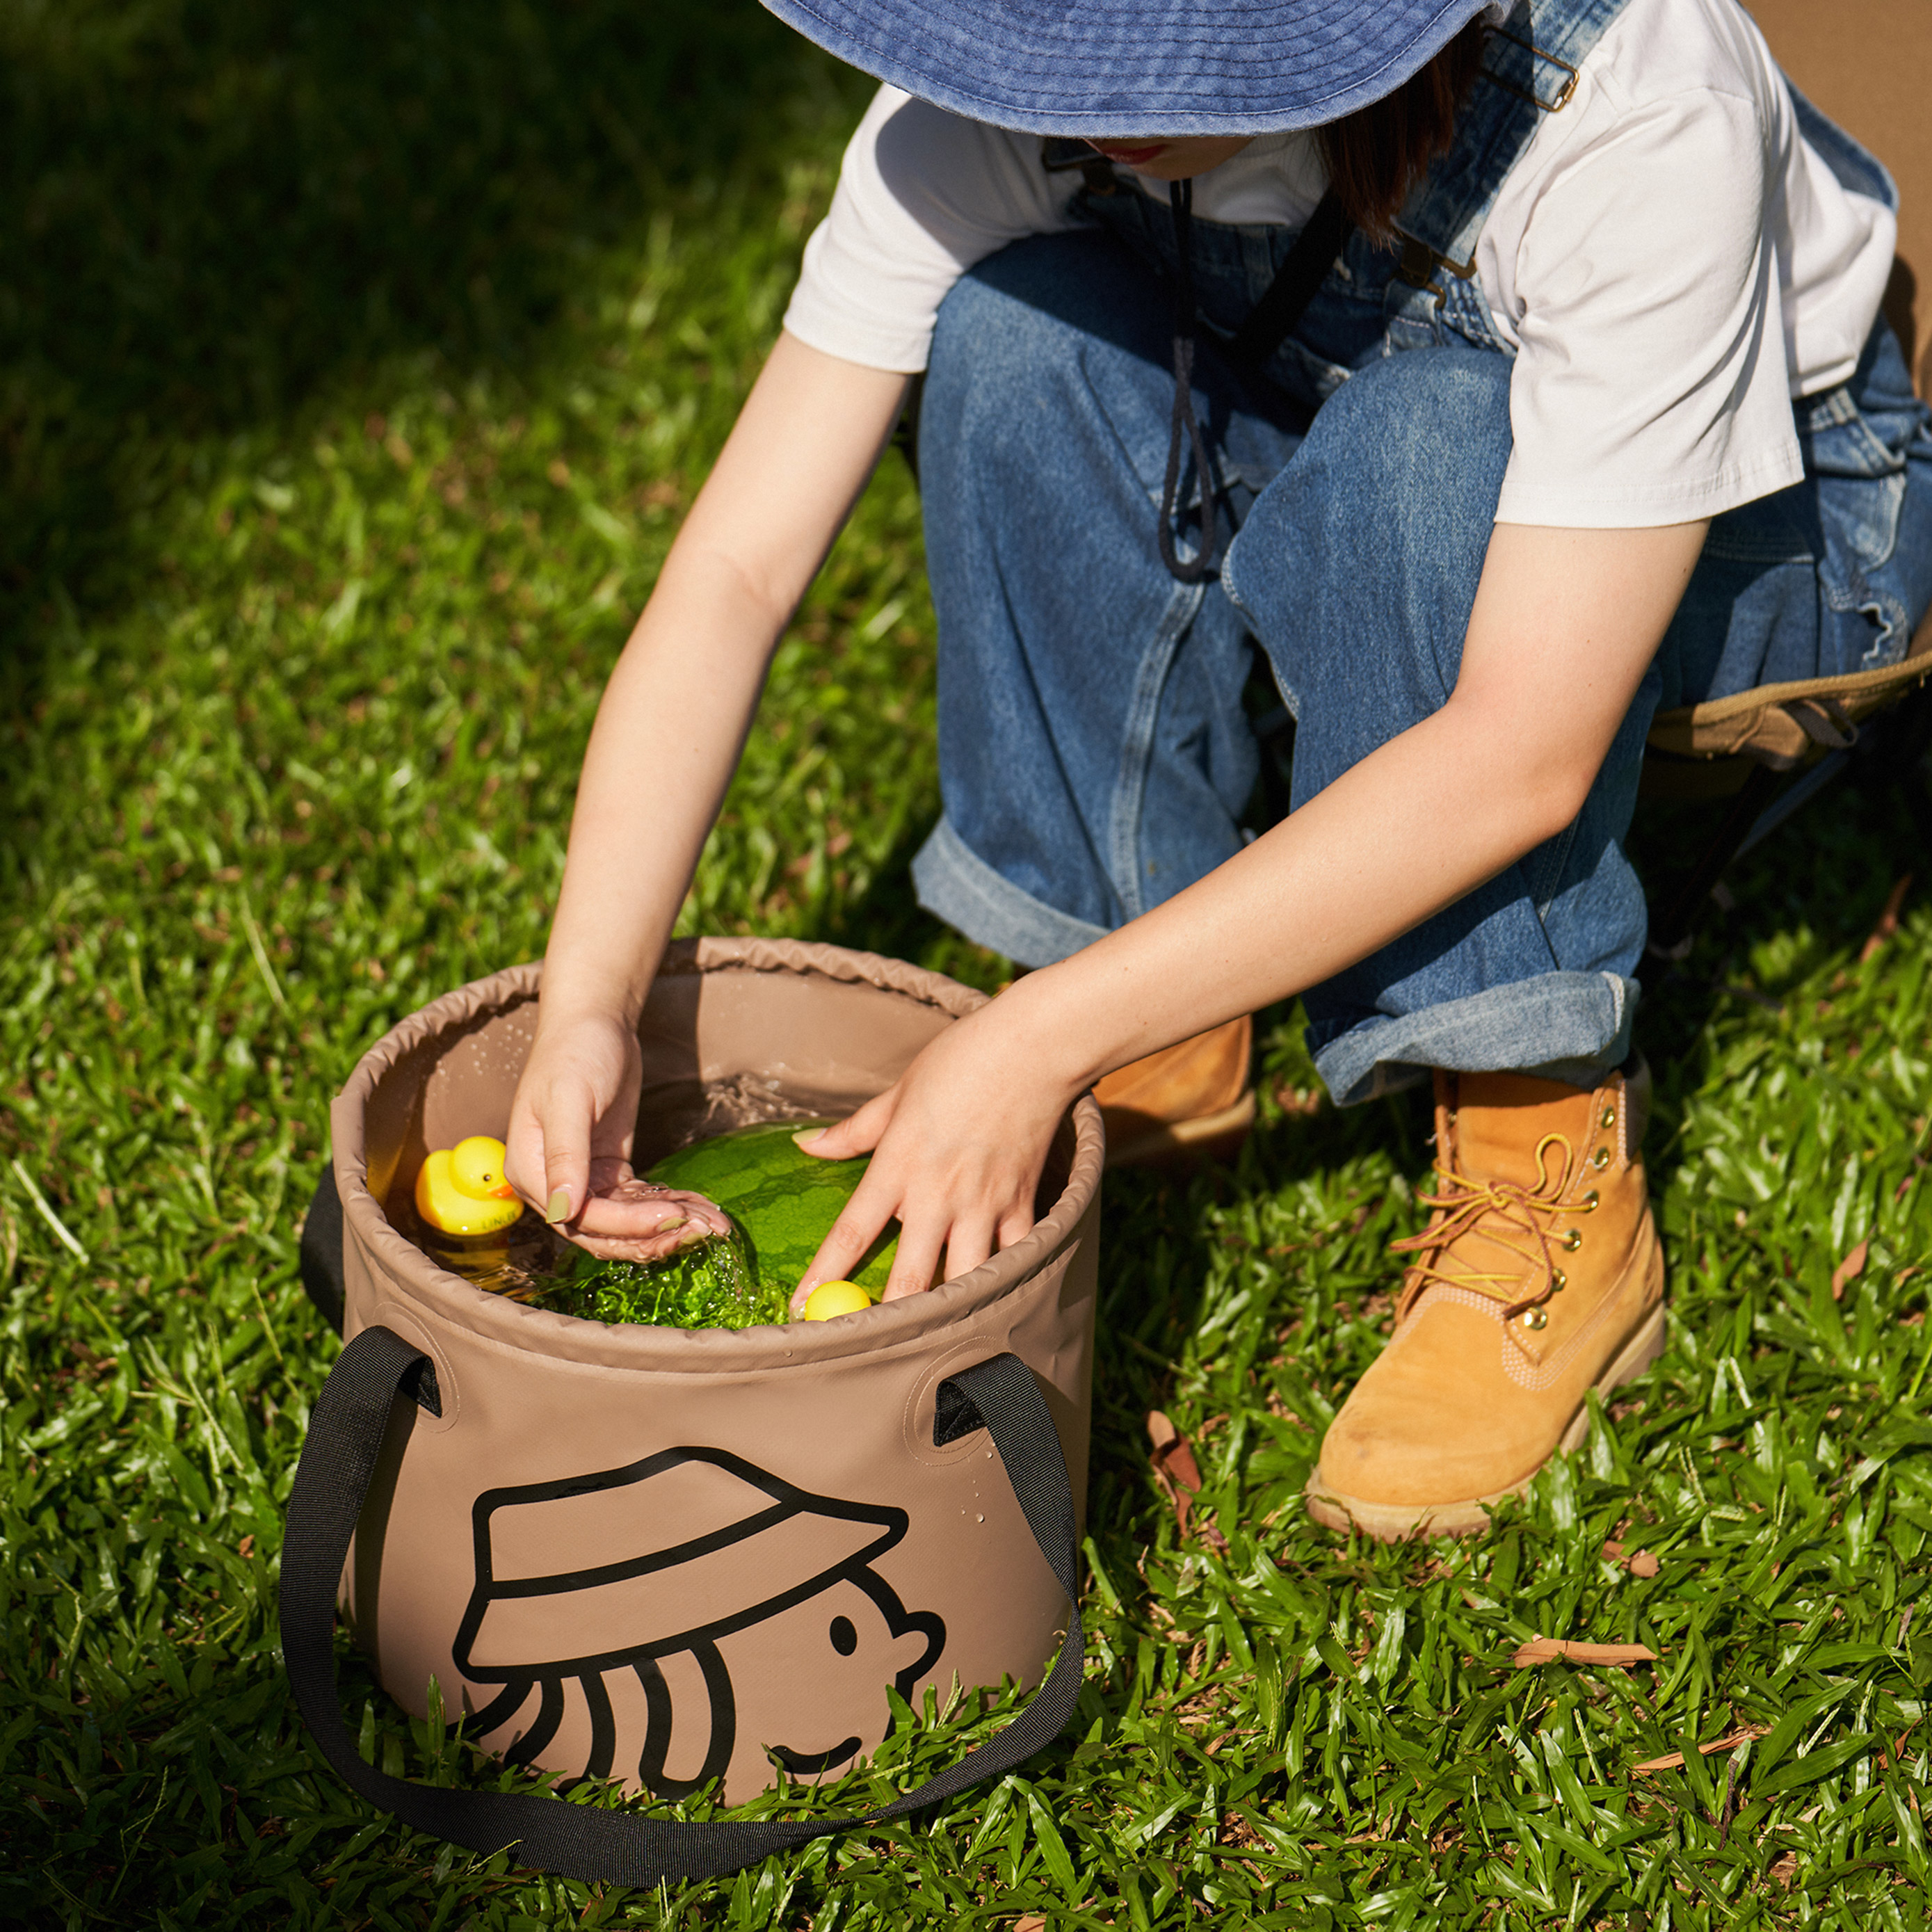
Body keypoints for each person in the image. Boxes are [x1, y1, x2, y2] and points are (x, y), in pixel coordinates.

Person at [505, 0, 1932, 1538]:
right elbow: (734, 568)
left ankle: (1540, 1129)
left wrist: (1030, 1037)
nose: (1082, 97)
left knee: (1431, 444)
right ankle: (1163, 1007)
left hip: (1759, 542)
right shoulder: (1015, 96)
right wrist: (589, 999)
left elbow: (1526, 748)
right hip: (1338, 419)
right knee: (1019, 332)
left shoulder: (1634, 113)